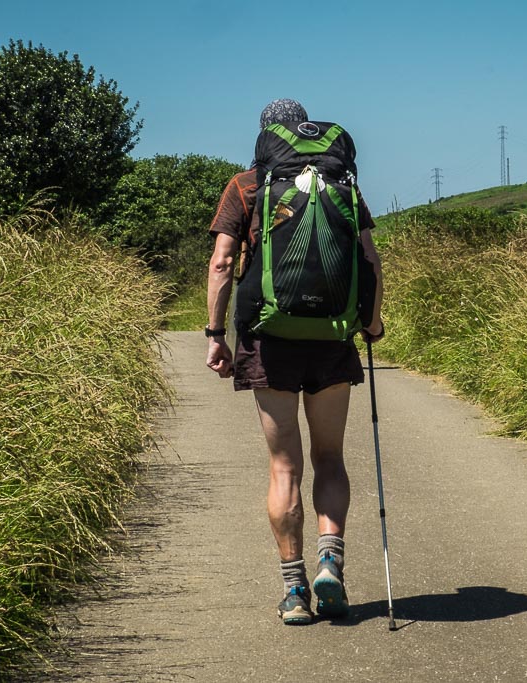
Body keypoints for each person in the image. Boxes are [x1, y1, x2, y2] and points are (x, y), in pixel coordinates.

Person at [205, 99, 384, 625]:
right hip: (331, 337)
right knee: (330, 456)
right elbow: (369, 259)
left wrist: (216, 335)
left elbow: (220, 262)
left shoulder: (246, 185)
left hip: (269, 340)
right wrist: (370, 325)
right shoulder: (342, 184)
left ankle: (294, 591)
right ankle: (332, 559)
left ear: (264, 138)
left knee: (285, 466)